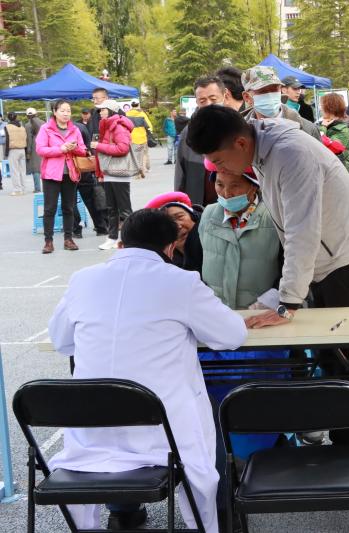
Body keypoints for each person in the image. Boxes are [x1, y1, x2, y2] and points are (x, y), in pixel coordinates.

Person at [48, 208, 247, 533]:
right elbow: (232, 335)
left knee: (117, 405)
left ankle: (122, 513)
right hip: (165, 434)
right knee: (210, 410)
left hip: (91, 432)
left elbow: (61, 341)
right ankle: (222, 515)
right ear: (170, 247)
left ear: (121, 243)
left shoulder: (83, 279)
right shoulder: (181, 281)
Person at [185, 106, 349, 378]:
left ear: (240, 143)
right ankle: (336, 401)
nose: (219, 170)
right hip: (323, 260)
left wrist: (287, 303)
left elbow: (302, 232)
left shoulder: (292, 155)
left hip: (347, 263)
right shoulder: (259, 146)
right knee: (327, 353)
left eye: (218, 161)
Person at [198, 165, 281, 309]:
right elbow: (195, 262)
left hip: (260, 312)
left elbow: (292, 266)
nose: (226, 193)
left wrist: (272, 298)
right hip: (216, 311)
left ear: (254, 186)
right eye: (220, 185)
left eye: (235, 186)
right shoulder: (208, 215)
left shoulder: (274, 218)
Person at [35, 99, 86, 254]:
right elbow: (40, 149)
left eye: (68, 111)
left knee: (69, 208)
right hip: (51, 174)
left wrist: (74, 148)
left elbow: (83, 150)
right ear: (55, 112)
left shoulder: (75, 129)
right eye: (62, 110)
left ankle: (68, 239)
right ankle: (48, 241)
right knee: (49, 209)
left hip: (70, 173)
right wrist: (61, 149)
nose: (66, 114)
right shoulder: (46, 128)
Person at [92, 100, 136, 251]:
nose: (100, 112)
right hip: (110, 172)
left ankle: (130, 239)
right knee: (112, 208)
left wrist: (99, 146)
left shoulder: (118, 126)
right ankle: (112, 238)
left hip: (119, 172)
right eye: (99, 110)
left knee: (124, 209)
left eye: (103, 109)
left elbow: (122, 148)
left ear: (111, 110)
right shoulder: (108, 125)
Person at [175, 77, 226, 206]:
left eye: (213, 99)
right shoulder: (188, 133)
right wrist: (180, 204)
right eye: (202, 101)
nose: (208, 104)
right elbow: (180, 174)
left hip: (233, 204)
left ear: (224, 96)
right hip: (199, 205)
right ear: (197, 102)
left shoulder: (238, 128)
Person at [240, 66, 320, 140]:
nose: (270, 95)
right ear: (247, 97)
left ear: (280, 89)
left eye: (274, 89)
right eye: (262, 91)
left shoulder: (308, 130)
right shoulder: (238, 132)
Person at [144, 191, 203, 273]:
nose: (178, 226)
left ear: (193, 216)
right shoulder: (161, 265)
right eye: (166, 223)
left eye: (179, 217)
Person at [71, 115, 109, 238]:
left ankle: (76, 229)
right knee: (91, 201)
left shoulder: (63, 130)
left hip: (69, 170)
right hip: (85, 168)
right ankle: (101, 227)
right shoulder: (82, 127)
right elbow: (89, 148)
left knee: (70, 202)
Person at [319, 93, 349, 172]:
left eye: (322, 106)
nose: (321, 109)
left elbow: (327, 148)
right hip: (330, 168)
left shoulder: (343, 129)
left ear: (330, 107)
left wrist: (323, 127)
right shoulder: (328, 123)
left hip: (337, 170)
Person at [126, 100, 153, 176]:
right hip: (142, 137)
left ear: (131, 105)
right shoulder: (142, 114)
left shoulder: (127, 114)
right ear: (138, 104)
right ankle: (144, 168)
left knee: (134, 154)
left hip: (132, 138)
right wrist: (150, 133)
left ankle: (137, 169)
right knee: (144, 154)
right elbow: (149, 126)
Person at [5, 111, 28, 196]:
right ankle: (23, 188)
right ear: (16, 117)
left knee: (14, 171)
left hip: (13, 150)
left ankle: (17, 190)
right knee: (22, 170)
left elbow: (7, 140)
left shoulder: (7, 127)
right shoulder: (22, 127)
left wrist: (6, 153)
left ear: (8, 118)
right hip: (22, 150)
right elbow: (26, 138)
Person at [25, 108, 45, 193]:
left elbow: (29, 139)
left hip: (34, 147)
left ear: (27, 116)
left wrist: (28, 152)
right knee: (44, 167)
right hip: (44, 146)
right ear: (36, 114)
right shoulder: (43, 123)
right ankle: (45, 187)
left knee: (35, 169)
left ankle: (37, 188)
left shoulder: (27, 125)